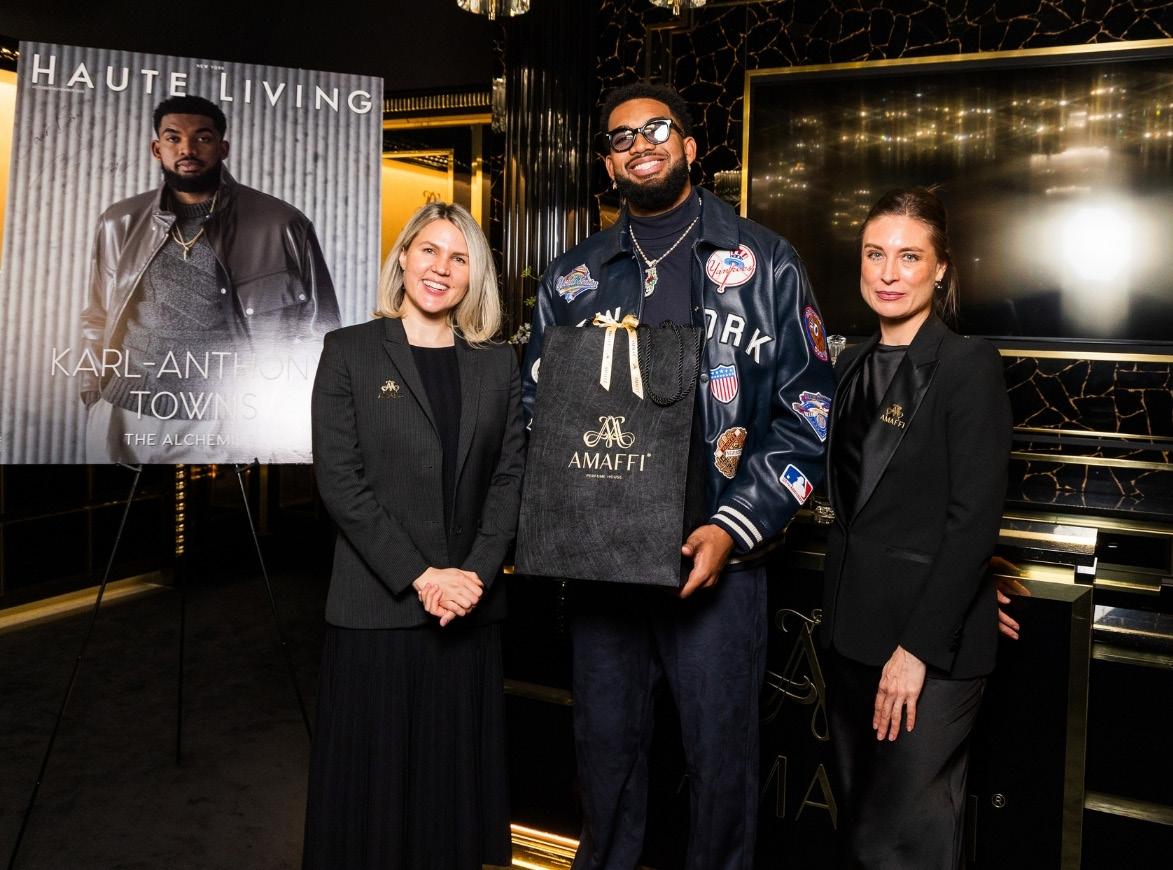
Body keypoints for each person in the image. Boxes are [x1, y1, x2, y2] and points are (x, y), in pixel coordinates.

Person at [520, 82, 835, 869]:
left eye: (657, 129)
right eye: (621, 137)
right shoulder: (571, 279)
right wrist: (556, 526)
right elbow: (535, 415)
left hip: (717, 565)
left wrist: (733, 528)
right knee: (605, 765)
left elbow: (808, 416)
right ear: (608, 164)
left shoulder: (766, 263)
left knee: (721, 771)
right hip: (602, 570)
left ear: (690, 148)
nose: (640, 144)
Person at [303, 202, 523, 869]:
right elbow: (341, 483)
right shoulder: (349, 351)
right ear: (403, 257)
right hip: (378, 611)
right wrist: (423, 576)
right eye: (429, 250)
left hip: (467, 613)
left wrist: (472, 576)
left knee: (449, 800)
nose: (441, 268)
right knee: (371, 805)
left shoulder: (498, 365)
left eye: (459, 258)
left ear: (473, 276)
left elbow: (510, 480)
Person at [819, 187, 1013, 868]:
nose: (888, 273)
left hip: (924, 655)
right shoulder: (848, 364)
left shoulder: (966, 365)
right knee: (859, 835)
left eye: (909, 256)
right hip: (850, 638)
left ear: (940, 269)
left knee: (898, 844)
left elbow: (972, 521)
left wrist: (920, 646)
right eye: (875, 254)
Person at [79, 94, 340, 463]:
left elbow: (319, 330)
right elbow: (98, 316)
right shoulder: (119, 221)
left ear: (223, 147)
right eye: (173, 138)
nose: (187, 149)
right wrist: (92, 392)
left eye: (202, 137)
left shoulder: (282, 223)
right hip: (125, 413)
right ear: (157, 148)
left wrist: (296, 411)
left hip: (231, 417)